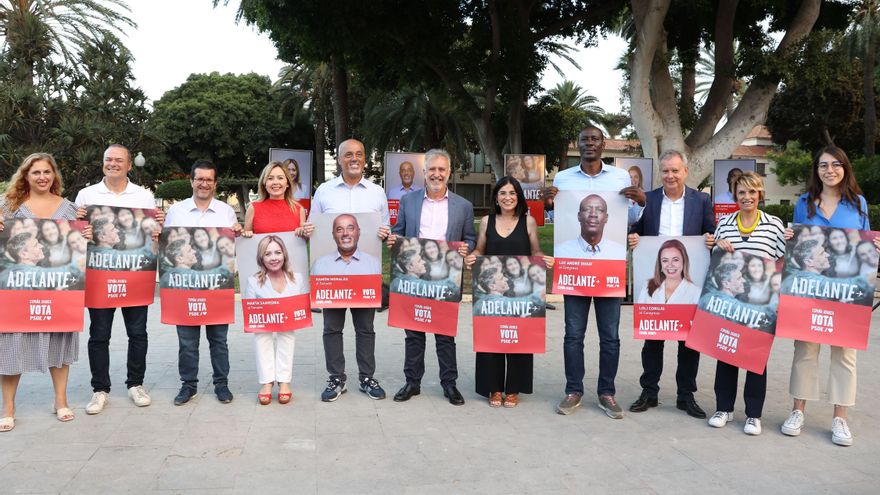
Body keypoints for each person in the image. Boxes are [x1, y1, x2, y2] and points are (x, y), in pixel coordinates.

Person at [781, 146, 880, 446]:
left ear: (845, 168)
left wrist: (874, 249)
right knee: (805, 349)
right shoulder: (804, 202)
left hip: (847, 289)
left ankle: (840, 418)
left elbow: (865, 244)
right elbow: (798, 244)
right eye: (824, 165)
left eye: (836, 164)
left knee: (844, 353)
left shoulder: (858, 203)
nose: (830, 170)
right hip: (811, 289)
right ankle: (798, 411)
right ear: (817, 170)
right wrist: (790, 237)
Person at [542, 125, 644, 419]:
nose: (590, 143)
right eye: (584, 139)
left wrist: (641, 200)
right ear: (578, 145)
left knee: (609, 336)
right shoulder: (562, 178)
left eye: (595, 139)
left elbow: (632, 218)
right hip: (575, 268)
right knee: (573, 334)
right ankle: (573, 390)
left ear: (603, 144)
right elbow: (555, 219)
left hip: (609, 268)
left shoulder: (620, 177)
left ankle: (606, 393)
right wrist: (548, 204)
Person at [0, 153, 88, 432]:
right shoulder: (8, 206)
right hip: (18, 292)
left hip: (60, 292)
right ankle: (9, 406)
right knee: (12, 343)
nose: (42, 177)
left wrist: (87, 234)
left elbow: (82, 244)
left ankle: (61, 400)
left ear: (54, 175)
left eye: (47, 172)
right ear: (25, 175)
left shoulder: (70, 209)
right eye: (35, 172)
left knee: (59, 341)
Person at [74, 144, 160, 415]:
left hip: (134, 274)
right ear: (102, 163)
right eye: (108, 160)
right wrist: (78, 227)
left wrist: (158, 228)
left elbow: (152, 234)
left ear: (129, 165)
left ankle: (136, 384)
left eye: (119, 160)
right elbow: (74, 237)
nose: (113, 164)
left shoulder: (144, 196)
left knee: (138, 333)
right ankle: (100, 389)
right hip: (99, 275)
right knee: (99, 335)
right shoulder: (86, 196)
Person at [627, 150, 714, 418]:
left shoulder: (701, 200)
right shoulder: (651, 199)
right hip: (657, 280)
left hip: (689, 278)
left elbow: (711, 230)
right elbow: (639, 228)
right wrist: (634, 237)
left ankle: (685, 396)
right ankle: (649, 392)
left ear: (685, 172)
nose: (670, 175)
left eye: (675, 170)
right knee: (653, 340)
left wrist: (710, 239)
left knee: (688, 342)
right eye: (665, 170)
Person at [388, 148, 475, 405]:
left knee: (445, 335)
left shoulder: (464, 206)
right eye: (432, 169)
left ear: (448, 173)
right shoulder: (409, 201)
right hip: (414, 278)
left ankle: (449, 384)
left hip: (446, 277)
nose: (437, 174)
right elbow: (399, 232)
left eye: (442, 169)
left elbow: (470, 238)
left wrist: (465, 247)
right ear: (424, 173)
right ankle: (412, 383)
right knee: (413, 334)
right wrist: (394, 240)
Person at [309, 138, 391, 402]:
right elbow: (313, 226)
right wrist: (307, 230)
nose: (354, 158)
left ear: (365, 158)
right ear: (340, 159)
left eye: (359, 154)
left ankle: (367, 377)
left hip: (365, 272)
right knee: (332, 329)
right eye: (348, 155)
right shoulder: (324, 190)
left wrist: (385, 233)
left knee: (365, 328)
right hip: (332, 274)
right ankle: (336, 378)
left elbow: (386, 227)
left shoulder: (377, 192)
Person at [705, 171, 785, 436]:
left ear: (760, 193)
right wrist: (718, 246)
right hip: (729, 302)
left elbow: (783, 262)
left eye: (752, 192)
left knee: (755, 358)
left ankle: (753, 415)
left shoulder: (774, 225)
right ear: (735, 196)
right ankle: (723, 408)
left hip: (759, 305)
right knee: (726, 354)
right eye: (742, 192)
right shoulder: (725, 223)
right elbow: (714, 260)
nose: (747, 197)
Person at [464, 176, 553, 408]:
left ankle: (513, 388)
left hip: (520, 293)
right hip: (493, 292)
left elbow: (535, 252)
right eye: (503, 193)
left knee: (518, 337)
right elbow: (480, 249)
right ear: (496, 197)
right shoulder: (486, 221)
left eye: (512, 193)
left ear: (518, 196)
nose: (507, 197)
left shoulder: (529, 222)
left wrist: (545, 260)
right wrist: (473, 256)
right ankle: (493, 388)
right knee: (491, 337)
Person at [163, 160, 242, 406]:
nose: (204, 183)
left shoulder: (225, 212)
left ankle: (221, 384)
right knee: (187, 341)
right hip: (184, 287)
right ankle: (189, 385)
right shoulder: (176, 211)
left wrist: (237, 234)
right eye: (200, 179)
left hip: (216, 285)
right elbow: (167, 247)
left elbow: (231, 248)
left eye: (209, 179)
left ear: (215, 183)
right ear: (192, 180)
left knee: (218, 340)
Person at [243, 161, 311, 405]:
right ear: (264, 182)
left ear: (288, 182)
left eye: (280, 178)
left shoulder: (298, 209)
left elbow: (300, 243)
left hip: (288, 279)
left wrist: (305, 233)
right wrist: (246, 233)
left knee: (286, 332)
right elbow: (246, 238)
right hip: (261, 281)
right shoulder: (255, 207)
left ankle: (284, 380)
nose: (275, 182)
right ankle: (266, 381)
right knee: (262, 333)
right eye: (270, 178)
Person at [635, 240, 701, 304]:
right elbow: (639, 314)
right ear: (660, 264)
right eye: (665, 260)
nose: (670, 265)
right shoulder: (648, 285)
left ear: (684, 262)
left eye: (675, 260)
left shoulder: (696, 292)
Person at [311, 214, 381, 275]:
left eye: (350, 228)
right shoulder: (319, 265)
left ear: (358, 232)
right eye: (339, 230)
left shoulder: (374, 264)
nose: (345, 233)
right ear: (333, 235)